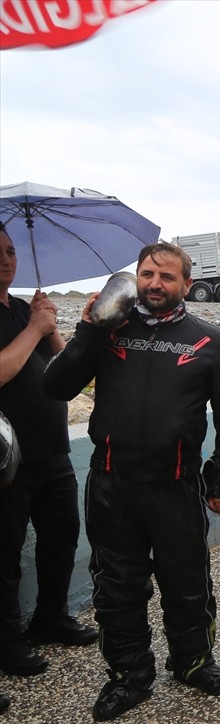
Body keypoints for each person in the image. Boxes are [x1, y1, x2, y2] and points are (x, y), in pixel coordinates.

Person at [43, 242, 220, 722]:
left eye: (167, 276)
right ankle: (130, 675)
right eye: (148, 274)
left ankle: (193, 661)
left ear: (186, 286)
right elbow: (55, 388)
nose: (155, 283)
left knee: (188, 582)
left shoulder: (210, 341)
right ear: (136, 277)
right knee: (117, 588)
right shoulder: (109, 330)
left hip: (175, 485)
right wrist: (89, 330)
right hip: (112, 484)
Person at [0, 224, 98, 681]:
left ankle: (50, 617)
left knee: (61, 538)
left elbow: (66, 368)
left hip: (53, 451)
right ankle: (6, 642)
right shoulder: (20, 321)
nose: (6, 259)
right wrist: (34, 329)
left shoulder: (23, 310)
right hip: (7, 462)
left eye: (11, 251)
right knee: (4, 553)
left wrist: (51, 328)